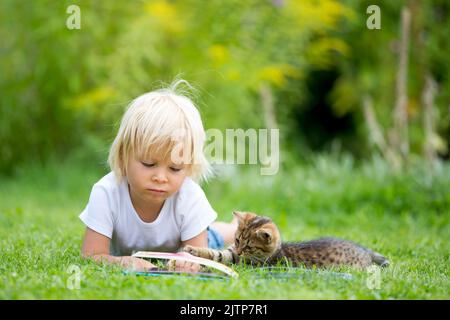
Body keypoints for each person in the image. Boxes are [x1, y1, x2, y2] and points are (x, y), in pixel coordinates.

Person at [79, 80, 237, 272]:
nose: (161, 177)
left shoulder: (190, 197)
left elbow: (198, 257)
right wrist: (125, 262)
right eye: (148, 164)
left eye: (175, 168)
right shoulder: (106, 192)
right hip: (147, 246)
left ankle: (234, 227)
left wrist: (189, 262)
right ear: (123, 156)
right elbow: (91, 255)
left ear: (188, 167)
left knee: (215, 236)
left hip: (182, 243)